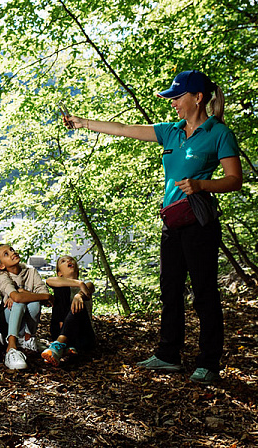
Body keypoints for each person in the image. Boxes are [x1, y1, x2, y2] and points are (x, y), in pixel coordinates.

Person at [62, 70, 243, 384]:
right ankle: (168, 355)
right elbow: (122, 129)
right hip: (172, 222)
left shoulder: (219, 133)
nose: (172, 102)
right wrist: (83, 122)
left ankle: (209, 362)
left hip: (200, 223)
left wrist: (201, 184)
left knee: (204, 294)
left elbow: (234, 180)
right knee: (170, 290)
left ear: (197, 98)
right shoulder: (171, 131)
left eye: (177, 96)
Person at [0, 244, 53, 370]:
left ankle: (28, 339)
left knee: (34, 303)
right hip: (6, 319)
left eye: (11, 249)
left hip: (25, 321)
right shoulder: (3, 276)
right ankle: (11, 346)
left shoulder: (31, 271)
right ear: (1, 265)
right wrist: (23, 295)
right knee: (19, 302)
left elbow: (45, 296)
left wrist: (24, 293)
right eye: (6, 254)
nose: (12, 253)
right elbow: (18, 298)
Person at [42, 255, 95, 366]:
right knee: (61, 290)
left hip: (83, 335)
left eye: (71, 259)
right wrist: (78, 283)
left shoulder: (87, 284)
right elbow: (49, 281)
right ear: (59, 273)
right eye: (63, 261)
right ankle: (64, 346)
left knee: (78, 305)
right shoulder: (59, 283)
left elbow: (88, 289)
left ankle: (59, 345)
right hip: (59, 329)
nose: (68, 261)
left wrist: (79, 295)